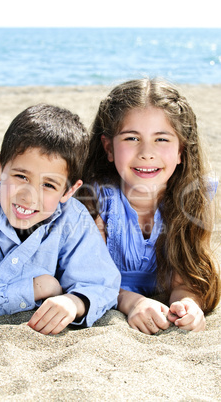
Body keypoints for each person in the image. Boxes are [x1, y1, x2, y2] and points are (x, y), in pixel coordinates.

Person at [0, 103, 121, 335]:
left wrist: (75, 302)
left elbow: (103, 283)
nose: (29, 196)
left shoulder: (73, 219)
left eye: (48, 185)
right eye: (21, 176)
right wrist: (35, 288)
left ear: (68, 192)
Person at [77, 78, 220, 334]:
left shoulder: (190, 198)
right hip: (112, 295)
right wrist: (132, 302)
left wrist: (187, 303)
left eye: (162, 139)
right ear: (108, 147)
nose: (146, 152)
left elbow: (186, 275)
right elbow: (87, 278)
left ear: (181, 151)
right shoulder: (95, 199)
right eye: (132, 138)